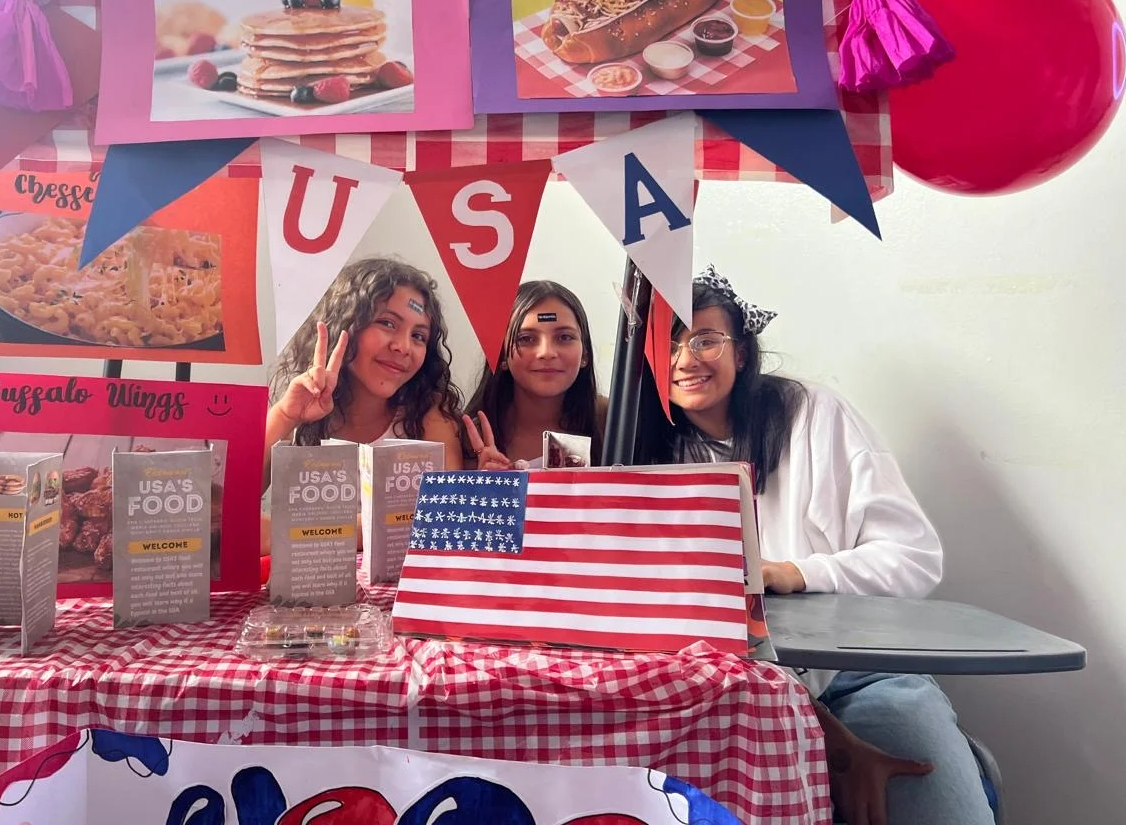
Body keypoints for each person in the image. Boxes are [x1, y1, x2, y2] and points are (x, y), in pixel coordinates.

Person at [637, 266, 992, 825]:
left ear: (744, 353)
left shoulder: (813, 415)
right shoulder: (645, 449)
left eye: (706, 339)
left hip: (862, 675)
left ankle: (966, 765)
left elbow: (915, 558)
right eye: (670, 345)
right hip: (734, 692)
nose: (687, 359)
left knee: (935, 805)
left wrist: (799, 573)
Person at [260, 258, 464, 553]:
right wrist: (285, 415)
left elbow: (445, 519)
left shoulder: (431, 415)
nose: (403, 346)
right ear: (346, 325)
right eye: (387, 323)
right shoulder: (300, 404)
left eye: (418, 336)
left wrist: (289, 533)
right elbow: (226, 508)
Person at [462, 280, 606, 469]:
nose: (546, 352)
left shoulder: (611, 420)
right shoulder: (467, 438)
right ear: (503, 356)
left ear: (585, 354)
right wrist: (479, 488)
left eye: (564, 337)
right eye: (526, 339)